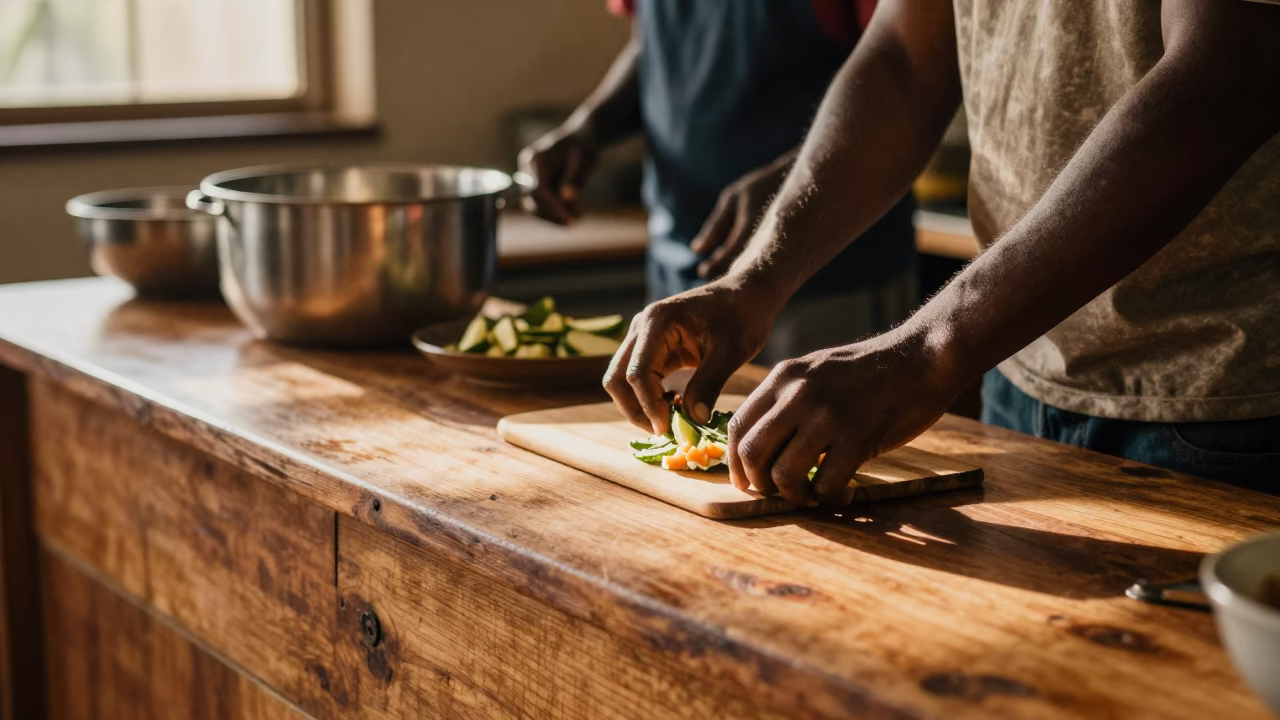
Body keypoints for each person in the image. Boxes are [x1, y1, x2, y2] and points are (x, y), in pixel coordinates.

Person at [603, 0, 1280, 503]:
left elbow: (1224, 78)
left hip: (1223, 393)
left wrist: (928, 349)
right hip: (1018, 369)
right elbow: (903, 59)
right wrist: (753, 280)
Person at [518, 0, 918, 364]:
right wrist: (590, 126)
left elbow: (905, 71)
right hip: (677, 266)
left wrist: (797, 182)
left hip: (827, 282)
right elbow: (654, 46)